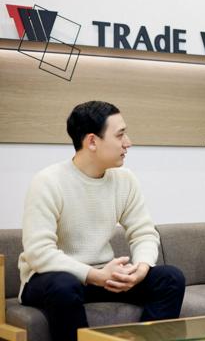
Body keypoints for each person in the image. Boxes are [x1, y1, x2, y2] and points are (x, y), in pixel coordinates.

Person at [18, 101, 186, 341]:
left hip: (102, 275)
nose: (128, 142)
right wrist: (94, 275)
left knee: (170, 278)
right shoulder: (48, 181)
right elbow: (39, 253)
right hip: (50, 277)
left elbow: (144, 233)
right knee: (64, 286)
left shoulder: (124, 179)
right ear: (92, 142)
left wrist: (140, 268)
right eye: (120, 135)